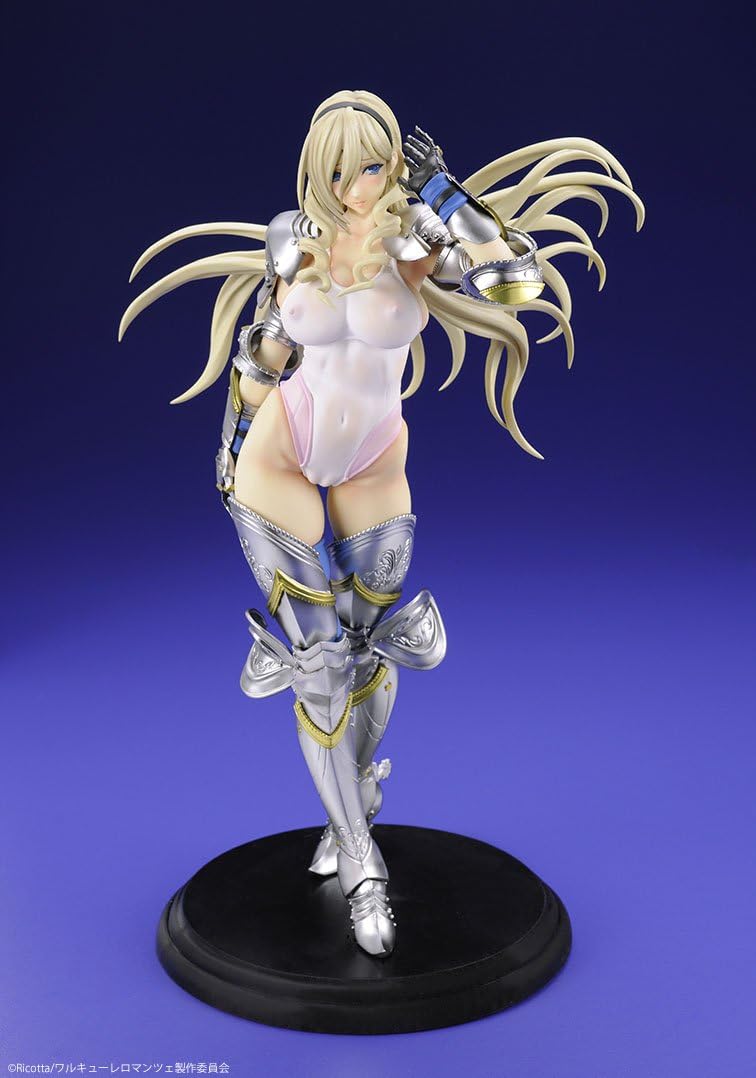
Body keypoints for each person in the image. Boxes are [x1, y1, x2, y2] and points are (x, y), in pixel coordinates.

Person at [120, 89, 643, 957]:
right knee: (322, 667)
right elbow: (265, 353)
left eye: (375, 161)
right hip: (281, 456)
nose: (362, 181)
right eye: (344, 167)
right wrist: (234, 439)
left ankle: (349, 803)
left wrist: (446, 195)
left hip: (373, 459)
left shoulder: (416, 238)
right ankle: (363, 866)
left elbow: (511, 281)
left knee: (369, 650)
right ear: (318, 172)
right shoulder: (295, 240)